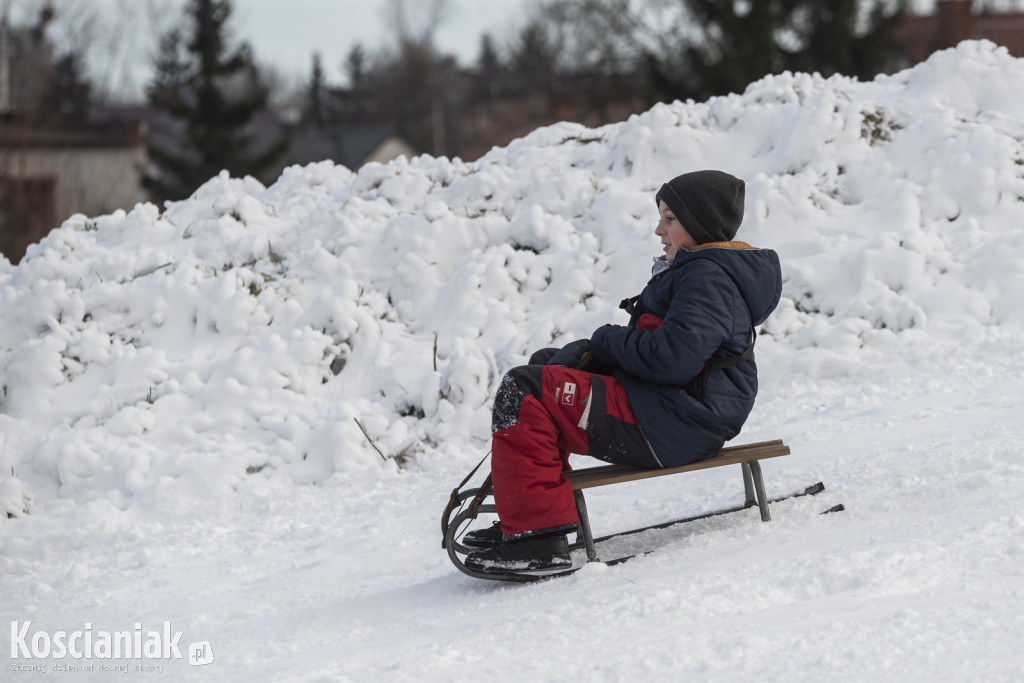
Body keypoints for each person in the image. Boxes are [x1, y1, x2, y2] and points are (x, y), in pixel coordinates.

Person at [463, 170, 783, 574]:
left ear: (698, 223)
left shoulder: (707, 277)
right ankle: (530, 517)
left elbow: (672, 359)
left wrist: (607, 340)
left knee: (524, 389)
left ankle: (537, 539)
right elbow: (668, 352)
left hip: (678, 422)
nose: (658, 229)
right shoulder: (698, 271)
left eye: (670, 219)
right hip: (670, 410)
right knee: (545, 366)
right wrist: (591, 352)